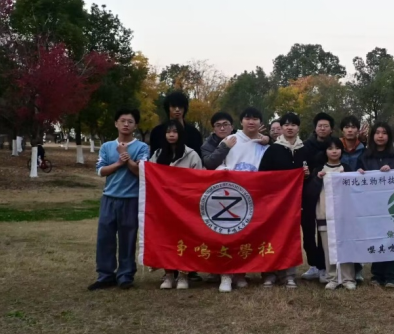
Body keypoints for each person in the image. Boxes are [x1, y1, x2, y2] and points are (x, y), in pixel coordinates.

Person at [88, 109, 150, 290]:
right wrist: (118, 163)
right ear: (116, 123)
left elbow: (142, 173)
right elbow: (100, 171)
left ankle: (125, 275)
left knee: (128, 238)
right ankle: (105, 275)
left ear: (135, 126)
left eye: (130, 121)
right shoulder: (107, 146)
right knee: (105, 237)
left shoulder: (142, 148)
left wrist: (128, 159)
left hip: (131, 199)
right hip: (109, 198)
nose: (126, 124)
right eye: (122, 121)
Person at [213, 107, 271, 292]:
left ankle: (241, 273)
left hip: (255, 196)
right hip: (231, 194)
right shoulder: (230, 140)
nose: (251, 121)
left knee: (248, 235)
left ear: (260, 123)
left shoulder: (263, 144)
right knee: (228, 234)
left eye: (255, 118)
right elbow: (217, 164)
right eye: (247, 118)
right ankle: (226, 275)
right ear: (241, 122)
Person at [150, 120, 204, 290]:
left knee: (185, 240)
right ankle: (168, 275)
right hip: (164, 206)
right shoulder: (158, 154)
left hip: (185, 207)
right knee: (166, 240)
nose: (171, 135)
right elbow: (150, 176)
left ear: (181, 134)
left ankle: (183, 275)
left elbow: (199, 180)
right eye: (168, 132)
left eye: (175, 132)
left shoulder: (192, 155)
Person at [258, 112, 310, 289]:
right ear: (281, 128)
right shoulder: (273, 149)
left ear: (298, 128)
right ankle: (269, 273)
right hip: (274, 203)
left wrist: (308, 175)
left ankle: (289, 274)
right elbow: (263, 175)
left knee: (291, 238)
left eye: (293, 124)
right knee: (272, 237)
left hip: (296, 203)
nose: (289, 127)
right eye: (286, 124)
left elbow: (312, 174)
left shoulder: (305, 149)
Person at [357, 122, 394, 288]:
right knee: (376, 239)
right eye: (377, 132)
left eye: (384, 133)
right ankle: (377, 275)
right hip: (372, 205)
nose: (380, 136)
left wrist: (392, 170)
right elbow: (356, 176)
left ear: (389, 136)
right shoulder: (364, 156)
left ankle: (392, 276)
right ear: (372, 136)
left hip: (393, 203)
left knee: (391, 237)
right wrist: (360, 173)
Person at [311, 139, 357, 290]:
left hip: (344, 214)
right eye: (330, 148)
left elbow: (355, 190)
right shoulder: (319, 169)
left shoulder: (347, 168)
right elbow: (310, 192)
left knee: (346, 245)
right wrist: (318, 178)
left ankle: (348, 278)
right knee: (328, 247)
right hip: (324, 213)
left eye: (337, 148)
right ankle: (332, 277)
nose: (334, 151)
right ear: (325, 152)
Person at [299, 113, 336, 283]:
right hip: (309, 191)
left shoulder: (335, 145)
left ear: (331, 129)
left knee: (325, 229)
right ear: (315, 128)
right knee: (308, 229)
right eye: (320, 125)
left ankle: (325, 265)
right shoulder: (305, 146)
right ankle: (314, 264)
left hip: (330, 193)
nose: (322, 128)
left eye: (326, 126)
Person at [339, 115, 366, 282]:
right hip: (340, 196)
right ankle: (341, 268)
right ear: (342, 130)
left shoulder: (365, 149)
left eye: (353, 127)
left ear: (357, 130)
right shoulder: (335, 147)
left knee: (358, 233)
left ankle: (358, 268)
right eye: (347, 127)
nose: (350, 130)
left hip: (360, 197)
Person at [149, 90, 203, 158]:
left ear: (184, 108)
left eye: (180, 106)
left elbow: (198, 160)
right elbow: (153, 160)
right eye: (173, 106)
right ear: (168, 108)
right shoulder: (157, 132)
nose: (177, 109)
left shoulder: (194, 134)